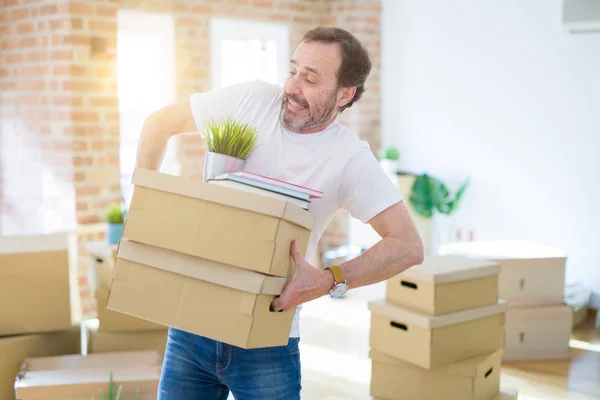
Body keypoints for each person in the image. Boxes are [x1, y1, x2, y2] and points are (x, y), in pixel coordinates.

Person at [136, 26, 424, 400]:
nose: (292, 86)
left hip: (267, 340)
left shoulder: (349, 158)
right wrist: (145, 202)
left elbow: (407, 246)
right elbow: (160, 123)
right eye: (292, 71)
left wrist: (329, 279)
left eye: (310, 78)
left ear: (345, 94)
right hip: (191, 326)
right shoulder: (252, 100)